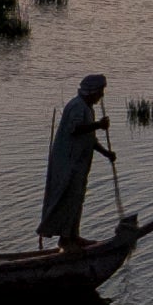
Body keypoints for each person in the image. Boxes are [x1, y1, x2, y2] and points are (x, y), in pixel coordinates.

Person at [38, 72, 116, 244]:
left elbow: (89, 138)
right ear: (92, 91)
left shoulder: (88, 109)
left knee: (77, 199)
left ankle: (72, 236)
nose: (102, 96)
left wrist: (106, 153)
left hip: (79, 164)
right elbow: (75, 129)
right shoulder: (77, 106)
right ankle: (66, 238)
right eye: (100, 91)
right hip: (68, 164)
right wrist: (98, 125)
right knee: (67, 198)